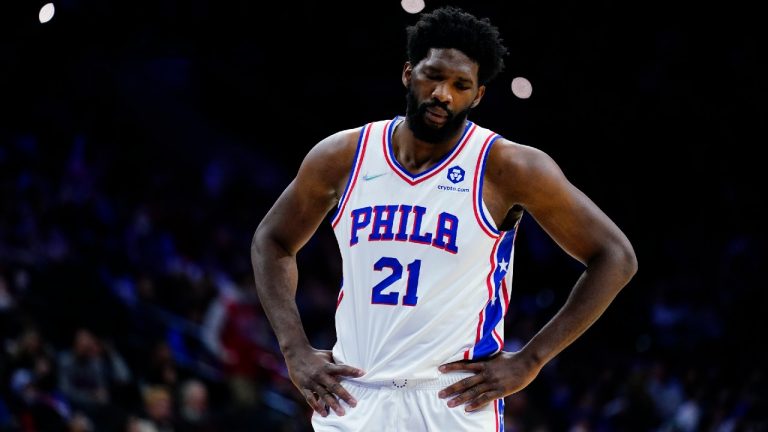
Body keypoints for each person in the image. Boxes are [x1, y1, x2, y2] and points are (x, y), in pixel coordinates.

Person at [250, 5, 637, 431]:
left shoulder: (508, 167)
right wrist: (293, 349)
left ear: (478, 96)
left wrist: (531, 359)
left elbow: (615, 256)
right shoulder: (343, 156)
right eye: (433, 76)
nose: (443, 94)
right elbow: (272, 240)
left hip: (452, 400)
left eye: (460, 85)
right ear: (408, 73)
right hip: (351, 395)